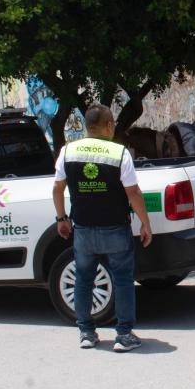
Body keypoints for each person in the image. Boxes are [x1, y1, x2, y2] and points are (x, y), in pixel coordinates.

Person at [52, 106, 153, 352]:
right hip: (115, 228)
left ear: (88, 126)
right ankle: (124, 335)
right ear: (108, 125)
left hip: (83, 229)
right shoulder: (120, 153)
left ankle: (86, 333)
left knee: (84, 279)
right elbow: (133, 192)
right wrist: (145, 222)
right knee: (122, 280)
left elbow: (57, 188)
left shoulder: (68, 151)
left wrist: (61, 219)